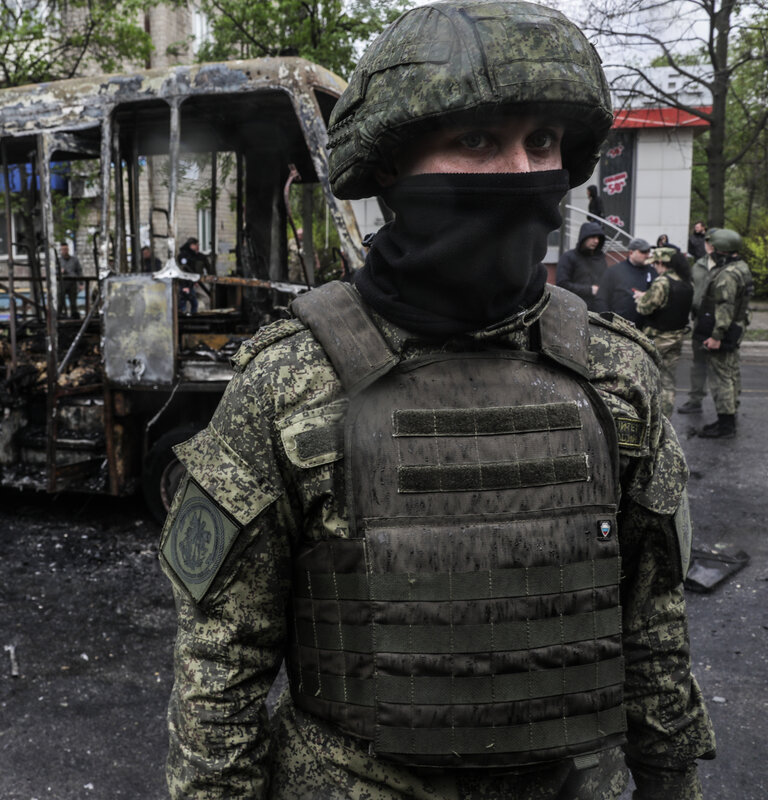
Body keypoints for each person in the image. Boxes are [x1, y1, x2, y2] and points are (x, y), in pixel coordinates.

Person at [159, 2, 714, 798]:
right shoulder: (291, 380)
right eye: (480, 140)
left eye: (544, 143)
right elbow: (222, 666)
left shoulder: (613, 374)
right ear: (390, 162)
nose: (524, 174)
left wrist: (672, 783)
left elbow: (653, 625)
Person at [693, 227, 754, 438]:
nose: (711, 250)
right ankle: (728, 418)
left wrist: (717, 336)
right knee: (731, 373)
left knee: (721, 378)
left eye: (714, 246)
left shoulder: (727, 275)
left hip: (724, 331)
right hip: (735, 328)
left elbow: (725, 307)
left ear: (723, 250)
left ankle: (726, 425)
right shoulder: (741, 267)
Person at [633, 247, 693, 416]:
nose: (655, 268)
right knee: (668, 381)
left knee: (648, 380)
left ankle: (651, 418)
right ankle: (666, 419)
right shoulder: (686, 282)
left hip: (658, 338)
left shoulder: (662, 282)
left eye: (656, 264)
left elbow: (645, 308)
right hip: (677, 337)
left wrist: (640, 299)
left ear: (661, 263)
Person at [678, 244, 716, 414]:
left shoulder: (728, 266)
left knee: (721, 367)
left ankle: (725, 407)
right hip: (700, 320)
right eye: (707, 242)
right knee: (698, 364)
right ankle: (695, 400)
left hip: (719, 320)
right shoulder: (699, 265)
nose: (709, 245)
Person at [597, 237, 653, 323]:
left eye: (648, 252)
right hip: (619, 326)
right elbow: (601, 298)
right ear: (631, 252)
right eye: (643, 252)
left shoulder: (653, 271)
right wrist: (607, 321)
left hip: (646, 327)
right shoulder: (614, 271)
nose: (647, 255)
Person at [556, 220, 607, 311]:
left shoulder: (601, 258)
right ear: (584, 237)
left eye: (598, 237)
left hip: (599, 311)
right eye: (593, 237)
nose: (596, 241)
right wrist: (590, 290)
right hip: (575, 310)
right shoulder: (568, 257)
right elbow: (562, 284)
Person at [176, 237, 207, 315]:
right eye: (196, 245)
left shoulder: (191, 255)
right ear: (191, 245)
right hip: (185, 283)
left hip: (190, 283)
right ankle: (182, 318)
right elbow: (184, 271)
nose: (197, 247)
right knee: (186, 302)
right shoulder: (184, 255)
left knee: (193, 302)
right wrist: (185, 286)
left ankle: (189, 316)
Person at [57, 242, 83, 318]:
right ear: (61, 250)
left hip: (72, 283)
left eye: (66, 249)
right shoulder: (58, 261)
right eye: (63, 249)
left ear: (68, 249)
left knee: (73, 302)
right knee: (60, 301)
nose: (65, 251)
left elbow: (79, 271)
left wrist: (81, 283)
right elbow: (53, 271)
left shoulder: (74, 260)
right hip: (62, 283)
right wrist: (59, 271)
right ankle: (59, 316)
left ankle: (74, 317)